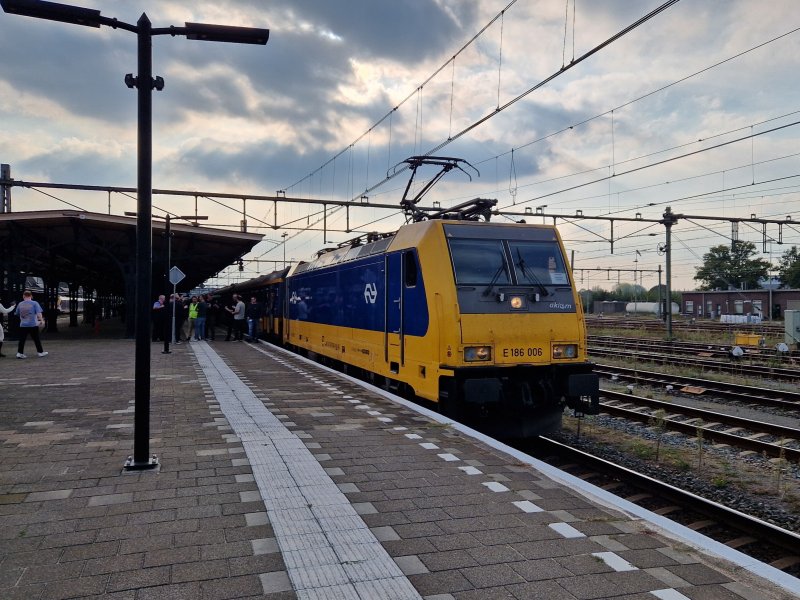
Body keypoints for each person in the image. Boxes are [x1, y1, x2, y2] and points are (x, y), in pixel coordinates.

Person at [14, 290, 48, 359]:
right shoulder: (35, 303)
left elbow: (17, 313)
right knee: (36, 339)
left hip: (23, 325)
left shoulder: (20, 304)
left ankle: (19, 353)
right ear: (31, 296)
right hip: (33, 325)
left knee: (22, 339)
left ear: (23, 296)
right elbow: (39, 313)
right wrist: (41, 320)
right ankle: (40, 352)